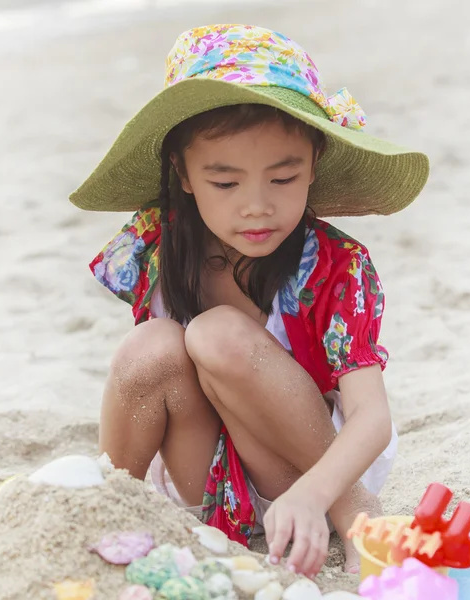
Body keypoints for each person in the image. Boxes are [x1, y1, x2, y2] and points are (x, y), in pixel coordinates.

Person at [69, 24, 429, 577]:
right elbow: (159, 381)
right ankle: (112, 503)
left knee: (217, 334)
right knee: (152, 344)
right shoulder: (155, 244)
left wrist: (316, 493)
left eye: (283, 178)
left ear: (314, 164)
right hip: (202, 484)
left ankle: (358, 512)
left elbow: (371, 416)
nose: (257, 207)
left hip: (305, 476)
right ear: (182, 175)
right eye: (226, 184)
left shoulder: (336, 267)